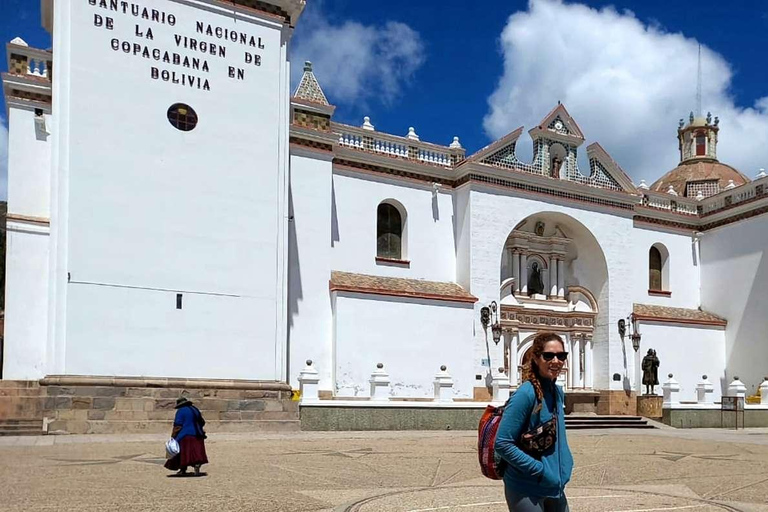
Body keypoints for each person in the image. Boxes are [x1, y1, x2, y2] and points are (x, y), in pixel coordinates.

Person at [495, 332, 573, 511]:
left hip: (555, 485)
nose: (556, 361)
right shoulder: (525, 394)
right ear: (536, 358)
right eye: (549, 355)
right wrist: (540, 470)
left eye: (561, 356)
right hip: (526, 487)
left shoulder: (557, 392)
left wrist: (566, 464)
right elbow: (502, 443)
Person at [165, 396, 208, 476]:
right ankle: (196, 465)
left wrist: (173, 436)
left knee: (182, 453)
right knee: (196, 453)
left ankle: (182, 469)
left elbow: (178, 425)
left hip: (185, 435)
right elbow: (202, 422)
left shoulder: (181, 411)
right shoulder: (195, 409)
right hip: (198, 434)